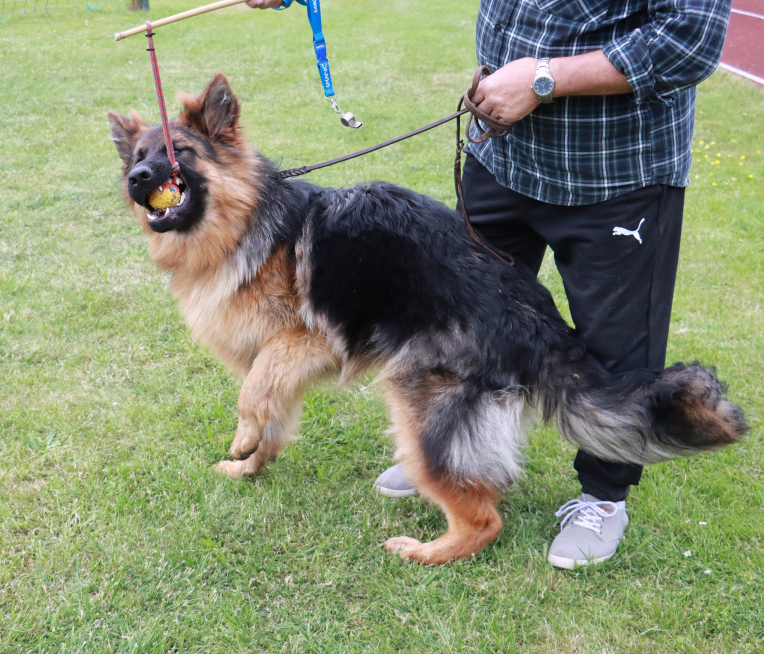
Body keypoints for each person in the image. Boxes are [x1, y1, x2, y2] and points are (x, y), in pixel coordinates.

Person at [248, 0, 732, 568]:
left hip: (616, 169)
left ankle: (603, 498)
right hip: (502, 153)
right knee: (454, 325)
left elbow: (691, 38)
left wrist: (546, 79)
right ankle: (452, 450)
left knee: (614, 349)